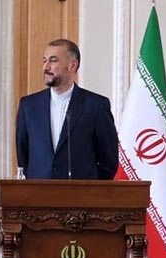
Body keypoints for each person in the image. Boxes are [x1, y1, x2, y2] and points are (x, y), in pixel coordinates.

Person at [15, 38, 118, 180]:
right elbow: (23, 157)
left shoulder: (96, 106)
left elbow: (109, 162)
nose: (46, 67)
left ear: (72, 66)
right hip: (38, 196)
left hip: (81, 197)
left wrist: (90, 190)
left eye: (53, 60)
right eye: (44, 60)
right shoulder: (28, 106)